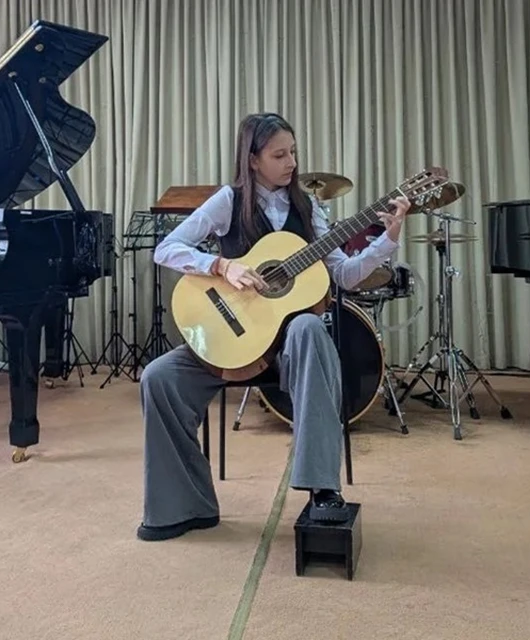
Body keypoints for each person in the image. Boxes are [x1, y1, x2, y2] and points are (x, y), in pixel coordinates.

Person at [137, 112, 410, 541]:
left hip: (291, 351)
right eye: (279, 155)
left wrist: (387, 240)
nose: (291, 163)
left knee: (309, 328)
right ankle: (185, 506)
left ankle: (322, 490)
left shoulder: (309, 208)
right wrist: (221, 266)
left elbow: (343, 275)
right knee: (158, 377)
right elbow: (166, 249)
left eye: (293, 153)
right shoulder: (228, 201)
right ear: (252, 159)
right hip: (236, 341)